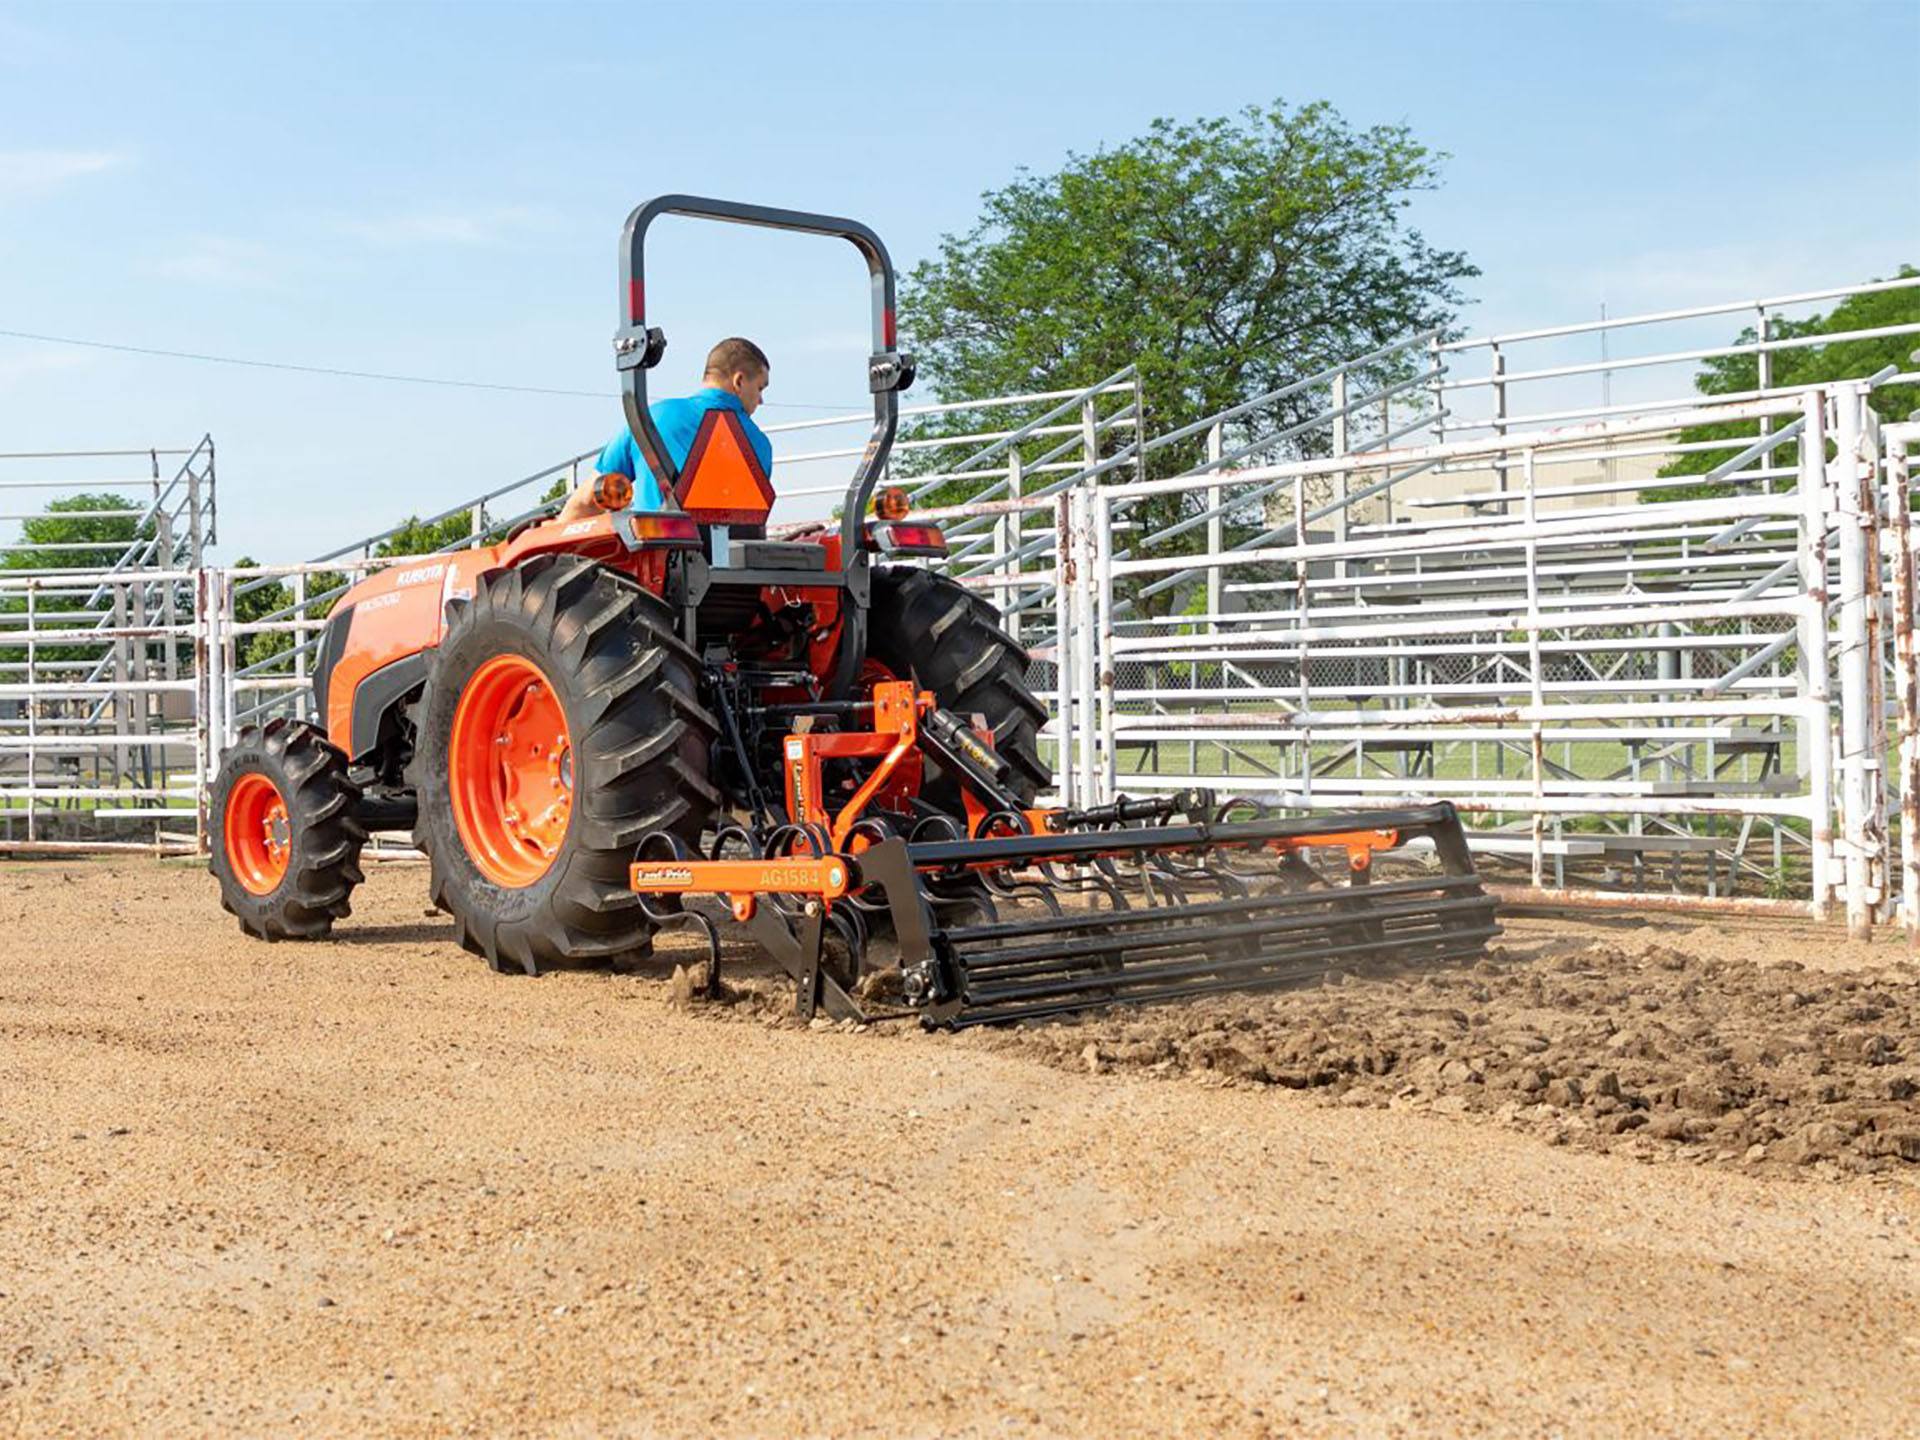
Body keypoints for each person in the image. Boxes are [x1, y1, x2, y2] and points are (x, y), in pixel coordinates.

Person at [556, 337, 774, 522]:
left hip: (656, 560)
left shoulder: (652, 417)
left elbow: (585, 502)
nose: (761, 400)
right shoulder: (760, 445)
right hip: (732, 568)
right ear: (739, 381)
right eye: (760, 388)